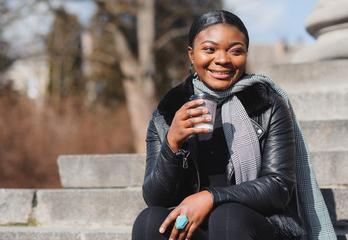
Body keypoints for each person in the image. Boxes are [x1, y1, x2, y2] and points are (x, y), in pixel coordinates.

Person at [132, 10, 336, 240]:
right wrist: (172, 144)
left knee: (228, 217)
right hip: (196, 227)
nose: (222, 59)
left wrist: (211, 197)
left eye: (236, 51)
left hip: (256, 224)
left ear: (246, 54)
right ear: (191, 54)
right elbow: (156, 198)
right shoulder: (168, 111)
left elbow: (278, 187)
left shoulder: (267, 103)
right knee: (149, 221)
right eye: (209, 49)